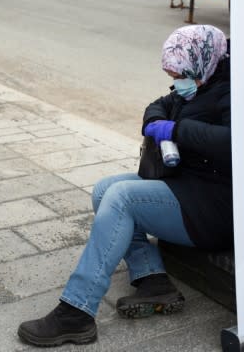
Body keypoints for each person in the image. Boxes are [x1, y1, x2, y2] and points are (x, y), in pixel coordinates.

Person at [17, 24, 231, 347]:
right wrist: (155, 122)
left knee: (121, 198)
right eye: (172, 75)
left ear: (201, 62)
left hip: (211, 206)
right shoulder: (197, 84)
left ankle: (77, 310)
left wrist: (176, 131)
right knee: (105, 189)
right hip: (185, 187)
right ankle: (151, 278)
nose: (177, 82)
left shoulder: (232, 92)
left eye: (181, 74)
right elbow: (157, 106)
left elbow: (232, 142)